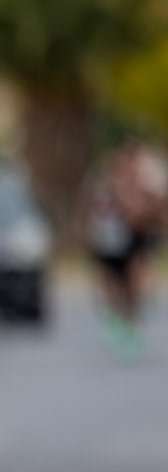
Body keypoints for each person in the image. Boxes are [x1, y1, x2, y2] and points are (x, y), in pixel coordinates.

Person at [88, 141, 168, 357]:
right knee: (114, 284)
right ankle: (116, 319)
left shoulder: (145, 187)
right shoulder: (108, 185)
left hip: (135, 240)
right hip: (111, 242)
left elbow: (157, 210)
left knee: (134, 281)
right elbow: (94, 210)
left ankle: (132, 324)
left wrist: (149, 217)